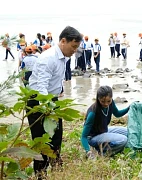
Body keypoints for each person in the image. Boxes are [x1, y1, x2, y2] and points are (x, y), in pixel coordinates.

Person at [27, 26, 82, 177]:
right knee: (41, 141)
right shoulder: (48, 58)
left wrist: (60, 90)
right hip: (38, 101)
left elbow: (56, 78)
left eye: (77, 47)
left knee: (56, 135)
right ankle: (40, 173)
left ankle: (56, 167)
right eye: (73, 47)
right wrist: (47, 108)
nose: (75, 51)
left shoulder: (63, 57)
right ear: (63, 41)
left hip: (51, 99)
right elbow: (41, 87)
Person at [81, 86, 130, 159]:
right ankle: (102, 153)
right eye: (102, 101)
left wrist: (129, 108)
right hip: (93, 137)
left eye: (108, 101)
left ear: (111, 98)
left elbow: (117, 114)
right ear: (98, 99)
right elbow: (83, 136)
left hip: (104, 131)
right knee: (123, 140)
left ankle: (111, 146)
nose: (106, 104)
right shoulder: (93, 113)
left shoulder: (111, 103)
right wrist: (88, 151)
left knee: (129, 132)